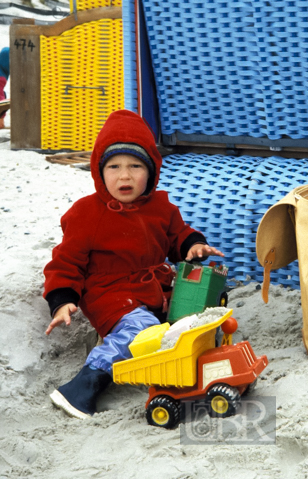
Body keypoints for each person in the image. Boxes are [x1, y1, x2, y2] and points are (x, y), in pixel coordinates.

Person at [43, 109, 224, 419]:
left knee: (199, 313)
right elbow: (66, 262)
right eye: (113, 166)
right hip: (111, 292)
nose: (124, 176)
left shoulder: (161, 207)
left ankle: (196, 364)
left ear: (151, 171)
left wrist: (193, 246)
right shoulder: (87, 214)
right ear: (99, 172)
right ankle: (85, 383)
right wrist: (63, 300)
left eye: (135, 166)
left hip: (156, 287)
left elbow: (177, 236)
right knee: (141, 329)